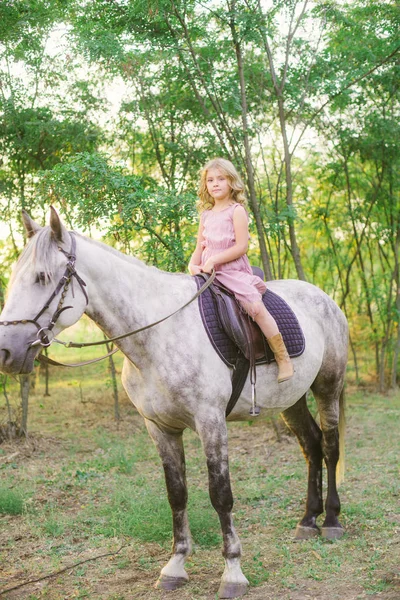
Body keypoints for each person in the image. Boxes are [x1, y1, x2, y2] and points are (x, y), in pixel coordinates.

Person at [189, 157, 293, 383]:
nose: (215, 184)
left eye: (221, 179)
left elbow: (241, 246)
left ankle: (282, 357)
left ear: (231, 182)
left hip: (232, 272)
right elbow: (200, 246)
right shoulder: (206, 215)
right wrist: (192, 264)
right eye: (210, 180)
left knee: (255, 307)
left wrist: (215, 260)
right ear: (205, 185)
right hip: (207, 273)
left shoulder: (236, 211)